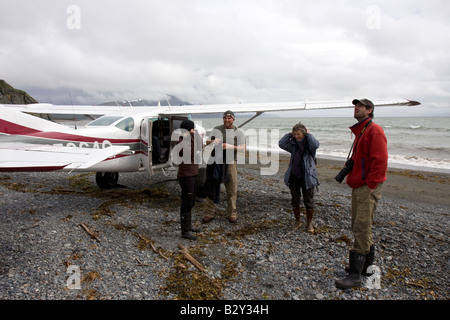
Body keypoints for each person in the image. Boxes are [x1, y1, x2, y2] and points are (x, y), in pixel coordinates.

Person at [335, 98, 388, 289]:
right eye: (355, 106)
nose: (356, 108)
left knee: (361, 226)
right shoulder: (363, 130)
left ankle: (355, 276)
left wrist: (372, 184)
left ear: (370, 110)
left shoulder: (374, 130)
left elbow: (380, 160)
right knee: (361, 225)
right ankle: (365, 269)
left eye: (360, 106)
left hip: (367, 186)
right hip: (360, 184)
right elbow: (365, 157)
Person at [202, 110, 246, 224]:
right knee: (211, 185)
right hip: (215, 160)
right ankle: (209, 213)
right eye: (225, 118)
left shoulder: (239, 131)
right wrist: (212, 141)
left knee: (231, 188)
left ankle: (232, 214)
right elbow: (206, 142)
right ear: (223, 119)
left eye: (229, 118)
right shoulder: (217, 128)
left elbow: (243, 148)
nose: (227, 120)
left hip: (230, 162)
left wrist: (230, 146)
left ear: (233, 119)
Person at [278, 123, 320, 232]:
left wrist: (308, 134)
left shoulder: (309, 146)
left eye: (299, 134)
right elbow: (281, 143)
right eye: (295, 134)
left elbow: (316, 144)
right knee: (295, 200)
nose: (297, 136)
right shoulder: (293, 145)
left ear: (304, 134)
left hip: (308, 177)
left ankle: (309, 223)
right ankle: (297, 221)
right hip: (294, 176)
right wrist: (289, 134)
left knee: (308, 201)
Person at [177, 119, 202, 240]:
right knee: (187, 202)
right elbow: (191, 152)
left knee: (191, 201)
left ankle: (189, 225)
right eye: (192, 129)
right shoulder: (181, 141)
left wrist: (195, 134)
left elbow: (200, 146)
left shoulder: (188, 139)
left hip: (192, 173)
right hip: (186, 176)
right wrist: (191, 135)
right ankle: (185, 231)